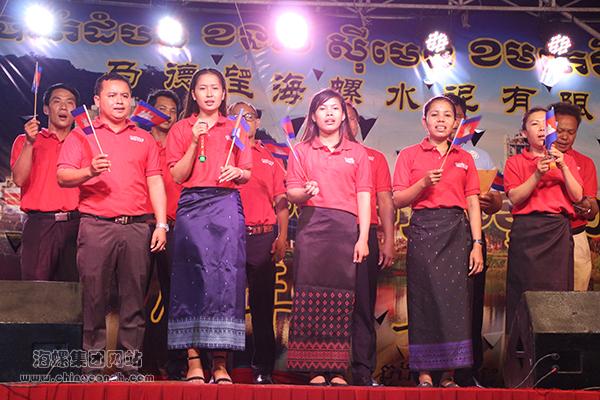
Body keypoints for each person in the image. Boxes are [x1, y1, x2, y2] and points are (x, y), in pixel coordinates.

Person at [57, 72, 168, 375]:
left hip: (136, 227)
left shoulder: (143, 137)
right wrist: (89, 171)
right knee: (94, 299)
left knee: (134, 301)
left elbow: (155, 180)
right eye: (112, 95)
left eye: (125, 96)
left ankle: (129, 367)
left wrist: (161, 224)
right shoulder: (83, 134)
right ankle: (92, 367)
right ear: (97, 100)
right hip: (96, 226)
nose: (119, 101)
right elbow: (63, 176)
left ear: (132, 101)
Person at [166, 68, 252, 384]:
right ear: (194, 94)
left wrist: (237, 173)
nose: (210, 94)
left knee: (226, 279)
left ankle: (219, 362)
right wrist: (193, 140)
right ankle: (193, 360)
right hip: (192, 205)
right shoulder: (181, 128)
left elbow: (247, 172)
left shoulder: (236, 128)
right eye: (203, 88)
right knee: (191, 277)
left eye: (215, 88)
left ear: (223, 93)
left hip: (226, 203)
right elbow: (177, 175)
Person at [392, 95, 483, 388]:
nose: (441, 120)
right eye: (435, 115)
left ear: (456, 122)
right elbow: (397, 199)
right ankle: (424, 372)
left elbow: (473, 203)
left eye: (447, 115)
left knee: (455, 304)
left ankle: (449, 373)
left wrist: (477, 244)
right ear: (425, 121)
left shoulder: (464, 158)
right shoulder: (409, 155)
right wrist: (422, 183)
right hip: (423, 230)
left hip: (456, 232)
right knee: (424, 300)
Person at [286, 88, 371, 386]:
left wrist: (363, 237)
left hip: (345, 230)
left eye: (335, 108)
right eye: (323, 108)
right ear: (313, 116)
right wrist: (304, 192)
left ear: (344, 115)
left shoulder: (357, 153)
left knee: (341, 298)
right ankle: (314, 369)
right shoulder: (301, 150)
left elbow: (364, 196)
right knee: (310, 295)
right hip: (312, 228)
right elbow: (292, 193)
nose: (330, 113)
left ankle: (337, 369)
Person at [503, 106, 583, 343]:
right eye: (534, 124)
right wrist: (537, 174)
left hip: (556, 232)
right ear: (524, 133)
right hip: (527, 233)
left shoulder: (567, 160)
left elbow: (578, 196)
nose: (541, 129)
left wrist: (563, 166)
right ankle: (520, 354)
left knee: (557, 296)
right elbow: (515, 197)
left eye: (545, 124)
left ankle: (554, 353)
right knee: (522, 293)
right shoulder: (515, 162)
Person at [228, 101, 288, 385]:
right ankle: (223, 367)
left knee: (263, 308)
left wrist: (282, 236)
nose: (243, 121)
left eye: (249, 116)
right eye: (236, 116)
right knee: (228, 306)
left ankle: (263, 368)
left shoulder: (270, 158)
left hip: (263, 238)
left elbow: (281, 201)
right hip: (230, 237)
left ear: (257, 122)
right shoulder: (224, 152)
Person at [446, 94, 503, 386]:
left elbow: (496, 202)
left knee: (471, 304)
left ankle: (468, 372)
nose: (449, 120)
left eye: (455, 115)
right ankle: (437, 371)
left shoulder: (480, 157)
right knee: (440, 302)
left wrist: (489, 200)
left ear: (464, 120)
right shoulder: (426, 152)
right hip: (438, 235)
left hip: (471, 236)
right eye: (442, 114)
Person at [345, 102, 395, 386]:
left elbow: (385, 201)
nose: (347, 124)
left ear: (359, 124)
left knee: (364, 304)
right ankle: (330, 368)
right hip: (333, 233)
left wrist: (388, 240)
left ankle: (363, 370)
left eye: (352, 119)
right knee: (331, 302)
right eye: (343, 117)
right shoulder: (323, 155)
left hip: (366, 234)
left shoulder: (375, 158)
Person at [11, 83, 81, 282]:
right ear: (45, 109)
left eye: (70, 103)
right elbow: (19, 179)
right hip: (40, 224)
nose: (64, 107)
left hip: (76, 224)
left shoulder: (84, 142)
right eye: (57, 101)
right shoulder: (25, 140)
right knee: (36, 288)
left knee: (72, 290)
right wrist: (29, 143)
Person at [143, 89, 183, 378]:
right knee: (136, 296)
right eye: (161, 108)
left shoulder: (182, 147)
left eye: (172, 110)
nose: (167, 114)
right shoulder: (140, 142)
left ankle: (174, 363)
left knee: (175, 298)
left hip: (175, 227)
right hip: (141, 225)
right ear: (149, 112)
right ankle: (138, 362)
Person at [549, 102, 598, 291]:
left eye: (571, 132)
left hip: (575, 235)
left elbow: (592, 208)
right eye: (559, 130)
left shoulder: (585, 163)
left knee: (576, 298)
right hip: (544, 237)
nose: (564, 137)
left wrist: (587, 206)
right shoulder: (535, 159)